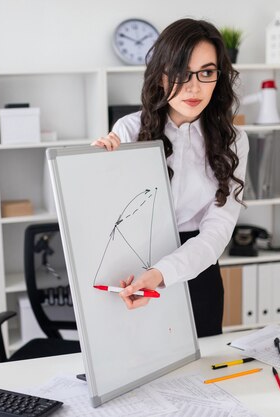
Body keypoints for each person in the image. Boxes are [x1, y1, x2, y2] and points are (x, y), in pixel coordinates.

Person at [92, 18, 248, 337]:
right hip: (132, 266)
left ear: (218, 77)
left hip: (199, 270)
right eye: (181, 72)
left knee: (200, 377)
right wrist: (96, 171)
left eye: (206, 73)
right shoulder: (129, 131)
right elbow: (104, 215)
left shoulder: (234, 140)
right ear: (161, 76)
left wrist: (163, 273)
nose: (194, 88)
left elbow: (218, 230)